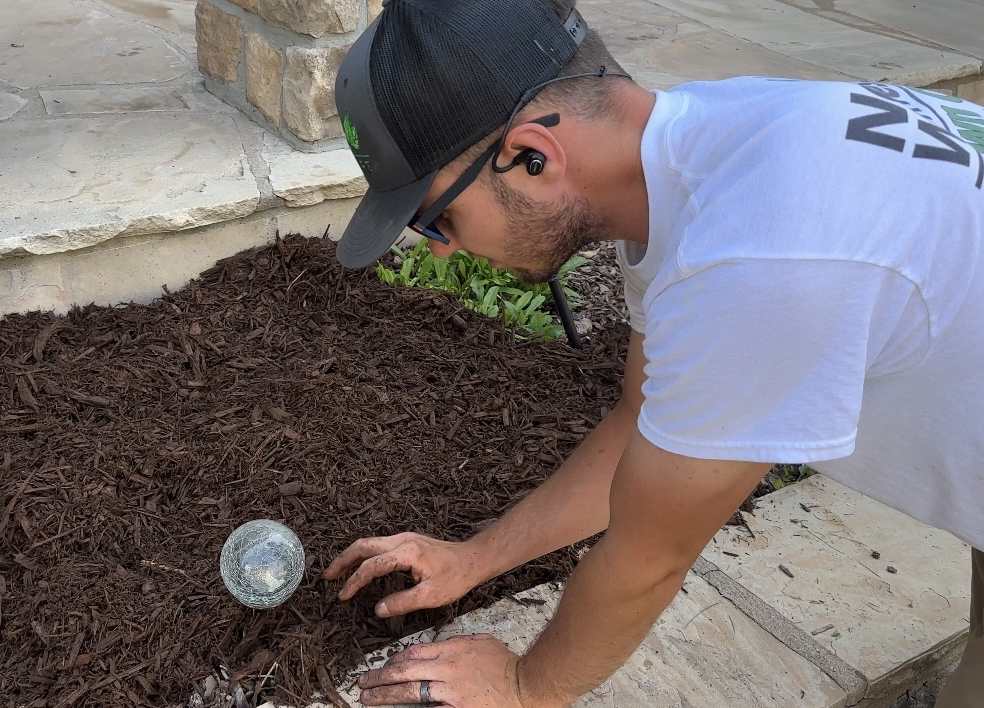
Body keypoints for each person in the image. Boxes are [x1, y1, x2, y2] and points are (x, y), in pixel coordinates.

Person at [320, 0, 984, 705]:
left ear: (531, 156)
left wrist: (523, 686)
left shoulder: (756, 255)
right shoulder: (703, 149)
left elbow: (651, 557)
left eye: (435, 216)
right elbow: (642, 419)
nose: (442, 247)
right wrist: (475, 557)